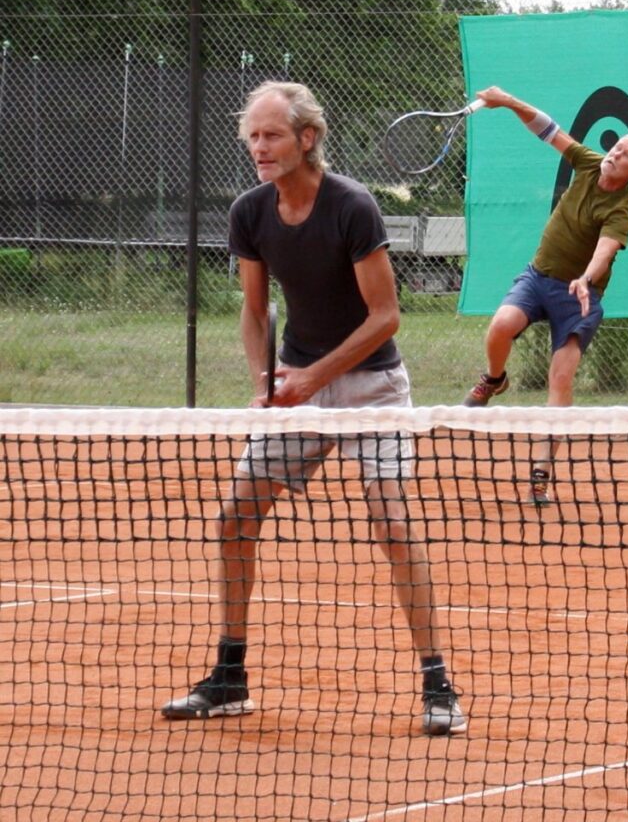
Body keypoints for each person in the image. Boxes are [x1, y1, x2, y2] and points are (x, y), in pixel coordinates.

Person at [161, 81, 465, 736]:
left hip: (372, 388)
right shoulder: (250, 212)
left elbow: (385, 317)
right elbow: (254, 311)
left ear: (307, 138)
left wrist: (313, 379)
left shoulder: (352, 206)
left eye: (271, 135)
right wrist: (266, 382)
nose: (259, 147)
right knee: (235, 518)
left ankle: (437, 683)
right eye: (252, 137)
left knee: (392, 523)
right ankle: (230, 676)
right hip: (296, 382)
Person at [463, 85, 628, 505]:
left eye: (625, 155)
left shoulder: (622, 208)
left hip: (577, 296)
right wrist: (509, 101)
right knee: (501, 326)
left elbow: (606, 249)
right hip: (538, 277)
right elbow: (549, 130)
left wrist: (585, 278)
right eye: (616, 147)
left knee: (561, 379)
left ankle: (541, 474)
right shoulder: (588, 162)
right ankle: (494, 379)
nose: (615, 154)